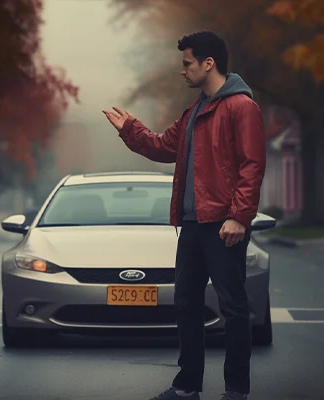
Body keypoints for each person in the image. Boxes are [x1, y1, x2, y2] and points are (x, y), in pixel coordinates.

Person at [102, 31, 266, 400]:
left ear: (209, 63)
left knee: (233, 307)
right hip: (191, 225)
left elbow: (252, 166)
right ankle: (187, 386)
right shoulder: (194, 111)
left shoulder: (241, 107)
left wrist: (240, 216)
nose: (183, 71)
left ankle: (236, 390)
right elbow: (163, 146)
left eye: (187, 63)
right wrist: (130, 129)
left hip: (224, 226)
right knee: (187, 304)